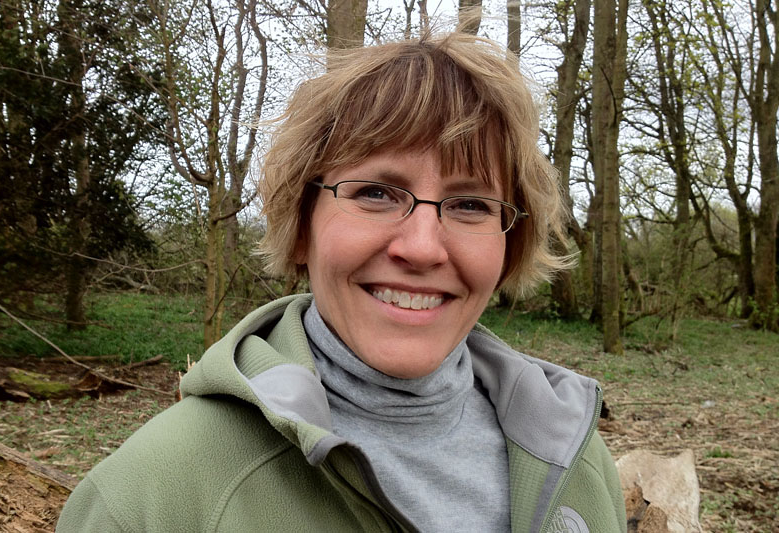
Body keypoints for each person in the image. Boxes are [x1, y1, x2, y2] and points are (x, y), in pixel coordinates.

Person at [57, 32, 626, 532]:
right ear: (302, 224)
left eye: (471, 203)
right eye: (376, 193)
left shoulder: (571, 456)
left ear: (509, 244)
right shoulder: (152, 496)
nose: (423, 247)